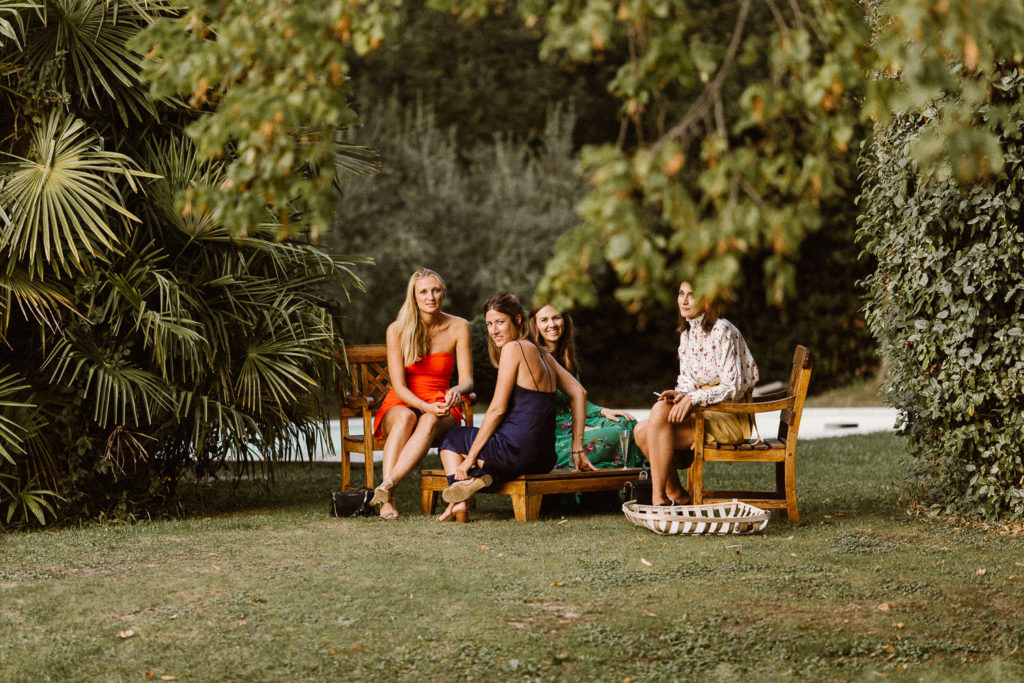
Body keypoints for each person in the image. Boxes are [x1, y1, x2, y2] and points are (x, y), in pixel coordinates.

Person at [435, 292, 588, 522]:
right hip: (545, 458)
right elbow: (579, 392)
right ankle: (474, 481)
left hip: (514, 453)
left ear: (517, 320)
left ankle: (461, 500)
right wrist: (578, 447)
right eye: (489, 324)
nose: (493, 330)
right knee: (472, 441)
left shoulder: (513, 348)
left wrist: (469, 459)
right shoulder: (544, 353)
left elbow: (496, 409)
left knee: (451, 437)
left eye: (499, 322)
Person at [633, 281, 759, 506]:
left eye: (692, 295)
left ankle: (659, 499)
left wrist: (694, 398)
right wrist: (679, 394)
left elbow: (732, 387)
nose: (684, 300)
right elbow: (688, 381)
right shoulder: (687, 335)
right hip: (705, 411)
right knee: (641, 430)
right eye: (681, 293)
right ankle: (676, 495)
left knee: (655, 418)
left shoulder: (722, 330)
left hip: (730, 415)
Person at [369, 268, 473, 519]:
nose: (430, 297)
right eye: (423, 292)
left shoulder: (459, 326)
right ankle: (388, 501)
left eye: (435, 290)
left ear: (443, 294)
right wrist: (422, 405)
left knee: (427, 419)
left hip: (440, 403)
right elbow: (400, 386)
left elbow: (468, 380)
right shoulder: (397, 329)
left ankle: (386, 486)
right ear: (413, 297)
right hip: (403, 400)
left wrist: (457, 391)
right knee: (406, 418)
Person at [528, 304, 643, 469]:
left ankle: (632, 483)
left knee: (628, 423)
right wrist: (584, 429)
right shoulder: (535, 359)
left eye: (556, 317)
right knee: (618, 434)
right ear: (535, 325)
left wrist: (603, 411)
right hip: (555, 438)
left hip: (574, 425)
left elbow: (575, 400)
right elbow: (539, 413)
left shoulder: (565, 358)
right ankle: (622, 485)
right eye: (544, 320)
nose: (552, 324)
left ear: (565, 321)